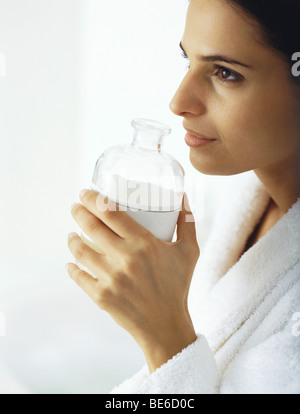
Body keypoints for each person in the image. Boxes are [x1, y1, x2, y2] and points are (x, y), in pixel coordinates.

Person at [66, 0, 300, 394]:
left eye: (225, 73)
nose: (178, 103)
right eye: (186, 60)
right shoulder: (249, 209)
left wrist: (165, 335)